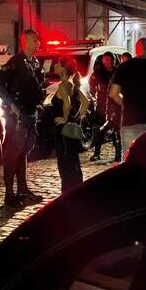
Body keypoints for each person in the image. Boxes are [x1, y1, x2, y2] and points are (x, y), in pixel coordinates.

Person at [0, 29, 45, 207]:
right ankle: (9, 194)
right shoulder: (16, 62)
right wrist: (12, 105)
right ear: (25, 43)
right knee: (13, 153)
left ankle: (22, 189)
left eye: (37, 40)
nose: (38, 43)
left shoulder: (35, 62)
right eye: (34, 40)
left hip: (31, 112)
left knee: (23, 152)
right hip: (17, 114)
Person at [109, 37, 146, 154]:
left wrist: (126, 103)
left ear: (136, 49)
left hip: (130, 122)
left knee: (130, 162)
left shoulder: (125, 66)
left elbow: (113, 93)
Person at [52, 56, 89, 193]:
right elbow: (85, 103)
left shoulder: (63, 85)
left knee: (65, 164)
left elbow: (67, 104)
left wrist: (65, 118)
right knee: (74, 162)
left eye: (57, 64)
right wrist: (76, 117)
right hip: (72, 129)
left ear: (63, 69)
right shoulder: (73, 85)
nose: (55, 66)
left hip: (63, 131)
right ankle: (76, 191)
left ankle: (67, 194)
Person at [89, 51, 119, 161]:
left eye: (110, 59)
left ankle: (118, 154)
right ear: (103, 60)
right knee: (99, 130)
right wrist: (93, 96)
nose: (108, 62)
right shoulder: (98, 72)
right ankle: (97, 153)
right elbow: (91, 84)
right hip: (101, 104)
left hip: (115, 104)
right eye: (106, 60)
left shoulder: (118, 71)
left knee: (117, 130)